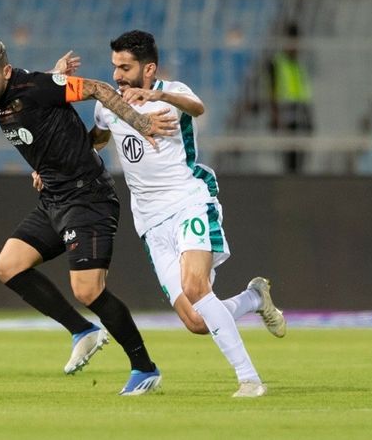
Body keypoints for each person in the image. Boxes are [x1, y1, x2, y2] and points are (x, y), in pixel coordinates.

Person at [0, 39, 177, 396]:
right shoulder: (2, 97)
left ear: (6, 72)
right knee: (8, 267)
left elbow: (98, 89)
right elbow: (43, 114)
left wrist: (142, 123)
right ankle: (83, 331)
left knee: (88, 289)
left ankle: (144, 368)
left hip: (88, 197)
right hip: (54, 198)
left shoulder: (33, 87)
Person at [88, 30, 287, 398]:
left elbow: (198, 108)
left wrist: (157, 96)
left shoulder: (173, 93)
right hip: (149, 220)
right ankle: (254, 298)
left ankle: (249, 380)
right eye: (114, 66)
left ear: (149, 69)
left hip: (188, 201)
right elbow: (98, 138)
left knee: (197, 288)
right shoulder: (107, 103)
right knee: (196, 321)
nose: (117, 74)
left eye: (125, 67)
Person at [267, 22, 314, 173]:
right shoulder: (277, 62)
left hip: (301, 107)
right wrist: (275, 114)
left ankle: (297, 175)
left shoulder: (298, 63)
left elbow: (303, 89)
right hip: (285, 108)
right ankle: (290, 178)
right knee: (288, 151)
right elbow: (272, 89)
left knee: (301, 148)